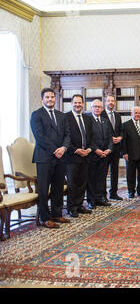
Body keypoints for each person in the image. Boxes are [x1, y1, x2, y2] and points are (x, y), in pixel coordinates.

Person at [30, 88, 71, 228]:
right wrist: (55, 150)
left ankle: (57, 214)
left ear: (55, 98)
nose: (50, 99)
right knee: (43, 188)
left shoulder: (62, 116)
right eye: (47, 97)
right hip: (44, 157)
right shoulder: (36, 115)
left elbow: (68, 135)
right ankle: (45, 218)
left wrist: (63, 148)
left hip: (61, 156)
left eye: (52, 97)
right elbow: (39, 136)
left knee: (58, 187)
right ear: (42, 99)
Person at [64, 94, 94, 218]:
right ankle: (71, 207)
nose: (78, 105)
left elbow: (91, 137)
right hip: (71, 157)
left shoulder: (87, 118)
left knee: (82, 182)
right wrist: (76, 150)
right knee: (72, 183)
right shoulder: (65, 117)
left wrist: (89, 149)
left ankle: (80, 205)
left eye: (80, 103)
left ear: (83, 104)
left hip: (86, 156)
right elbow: (64, 138)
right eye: (75, 103)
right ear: (71, 103)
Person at [87, 100, 113, 209]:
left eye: (99, 107)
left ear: (102, 109)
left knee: (102, 178)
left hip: (104, 155)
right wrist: (96, 150)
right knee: (92, 178)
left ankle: (100, 198)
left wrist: (109, 149)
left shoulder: (105, 121)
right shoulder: (88, 120)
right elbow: (88, 138)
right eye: (95, 107)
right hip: (93, 155)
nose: (97, 108)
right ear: (91, 108)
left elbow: (110, 137)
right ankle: (91, 200)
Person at [122, 106, 140, 198]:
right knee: (130, 174)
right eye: (135, 113)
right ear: (131, 114)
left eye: (139, 113)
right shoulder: (126, 125)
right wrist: (124, 153)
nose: (137, 114)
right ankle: (131, 191)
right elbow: (124, 141)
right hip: (130, 154)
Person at [101, 95, 123, 201]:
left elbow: (120, 130)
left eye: (112, 101)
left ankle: (113, 193)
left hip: (116, 148)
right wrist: (111, 138)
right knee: (103, 172)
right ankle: (103, 195)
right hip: (105, 148)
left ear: (114, 103)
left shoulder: (118, 115)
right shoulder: (101, 114)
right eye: (108, 101)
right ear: (105, 102)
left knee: (115, 171)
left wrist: (120, 137)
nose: (111, 102)